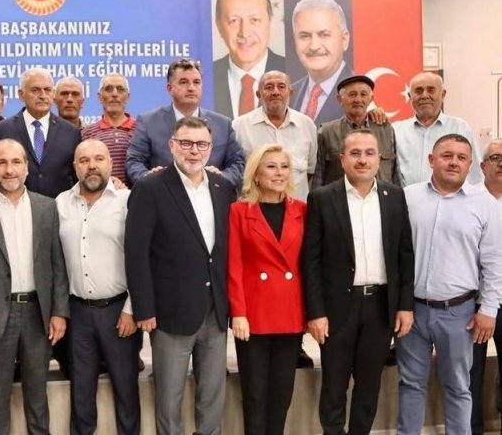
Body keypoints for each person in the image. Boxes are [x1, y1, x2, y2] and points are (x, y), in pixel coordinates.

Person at [125, 117, 235, 434]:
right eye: (186, 143)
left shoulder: (223, 188)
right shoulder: (150, 187)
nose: (194, 150)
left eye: (201, 144)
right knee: (169, 398)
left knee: (212, 396)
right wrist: (144, 309)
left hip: (215, 310)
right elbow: (136, 254)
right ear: (172, 145)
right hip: (169, 313)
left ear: (211, 148)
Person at [302, 129, 415, 435]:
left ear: (380, 158)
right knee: (334, 384)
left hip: (380, 306)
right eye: (355, 153)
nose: (362, 160)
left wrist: (405, 306)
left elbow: (404, 254)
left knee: (369, 385)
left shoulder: (395, 196)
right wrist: (316, 312)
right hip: (338, 307)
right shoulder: (322, 198)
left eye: (369, 153)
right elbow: (311, 260)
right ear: (342, 159)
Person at [0, 138, 69, 435]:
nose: (10, 170)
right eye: (2, 163)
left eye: (16, 162)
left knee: (38, 397)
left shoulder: (47, 208)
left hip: (38, 315)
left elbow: (58, 264)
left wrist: (59, 311)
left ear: (27, 167)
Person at [398, 134, 502, 435]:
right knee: (410, 383)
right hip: (412, 311)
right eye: (447, 156)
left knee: (458, 386)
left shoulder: (485, 204)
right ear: (431, 160)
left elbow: (494, 261)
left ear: (470, 165)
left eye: (461, 157)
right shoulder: (408, 197)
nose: (454, 162)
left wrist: (489, 309)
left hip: (460, 313)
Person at [56, 139, 140, 435]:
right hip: (77, 311)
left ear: (110, 163)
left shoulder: (128, 200)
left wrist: (132, 308)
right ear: (75, 166)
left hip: (120, 312)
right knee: (81, 392)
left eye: (99, 159)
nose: (92, 166)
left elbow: (141, 258)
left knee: (126, 390)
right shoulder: (60, 203)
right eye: (84, 160)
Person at [229, 143, 306, 435]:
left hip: (289, 312)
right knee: (255, 395)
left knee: (281, 394)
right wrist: (238, 313)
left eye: (284, 167)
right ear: (256, 174)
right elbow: (234, 266)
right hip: (254, 315)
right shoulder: (239, 211)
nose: (279, 173)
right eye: (271, 166)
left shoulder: (302, 210)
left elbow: (308, 265)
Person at [125, 58, 245, 188]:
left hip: (211, 195)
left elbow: (237, 163)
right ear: (169, 88)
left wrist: (221, 178)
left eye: (196, 82)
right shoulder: (148, 122)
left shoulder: (223, 124)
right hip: (162, 194)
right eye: (183, 82)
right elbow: (134, 161)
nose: (191, 88)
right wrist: (149, 179)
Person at [0, 67, 81, 201]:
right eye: (35, 90)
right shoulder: (2, 130)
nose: (42, 95)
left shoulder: (71, 132)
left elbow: (78, 177)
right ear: (21, 94)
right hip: (13, 209)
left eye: (47, 90)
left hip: (58, 210)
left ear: (53, 93)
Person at [232, 70, 317, 200]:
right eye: (269, 87)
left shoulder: (307, 125)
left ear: (290, 93)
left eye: (281, 87)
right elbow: (235, 171)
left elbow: (310, 172)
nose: (275, 92)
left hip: (296, 209)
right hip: (254, 208)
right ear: (259, 95)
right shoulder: (239, 127)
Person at [393, 71, 483, 186]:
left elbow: (475, 174)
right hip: (405, 197)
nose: (424, 96)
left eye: (431, 90)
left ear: (443, 94)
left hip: (450, 197)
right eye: (418, 91)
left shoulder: (459, 127)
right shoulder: (396, 130)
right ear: (410, 97)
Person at [314, 75, 400, 188]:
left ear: (371, 98)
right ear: (340, 99)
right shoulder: (326, 132)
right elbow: (318, 177)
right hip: (340, 198)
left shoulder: (386, 129)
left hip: (379, 197)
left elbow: (395, 173)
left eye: (363, 94)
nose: (358, 100)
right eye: (352, 94)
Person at [469, 139, 502, 434]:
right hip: (473, 301)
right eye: (495, 158)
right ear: (482, 166)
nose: (501, 163)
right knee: (471, 374)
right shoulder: (468, 199)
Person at [212, 0, 286, 118]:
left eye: (254, 20)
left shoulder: (293, 73)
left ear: (270, 22)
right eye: (234, 21)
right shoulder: (203, 79)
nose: (245, 33)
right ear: (219, 27)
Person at [289, 0, 352, 126]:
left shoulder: (361, 95)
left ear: (344, 40)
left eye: (324, 35)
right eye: (304, 36)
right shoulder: (288, 95)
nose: (314, 46)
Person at [81, 73, 136, 187]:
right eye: (108, 89)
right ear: (99, 97)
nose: (114, 94)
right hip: (100, 195)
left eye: (120, 89)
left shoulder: (142, 129)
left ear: (128, 97)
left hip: (137, 195)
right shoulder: (87, 133)